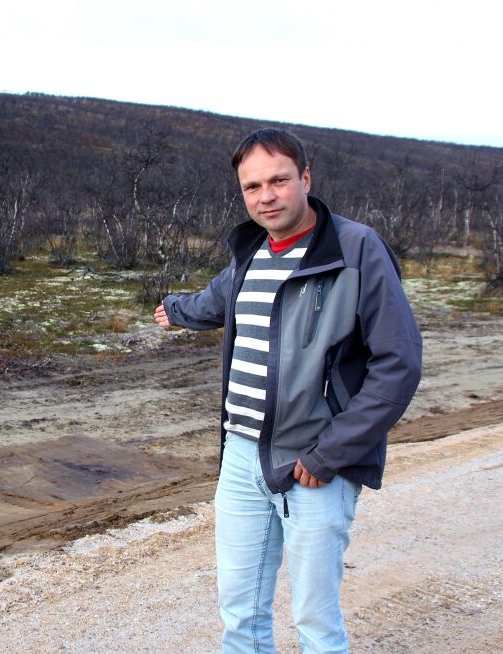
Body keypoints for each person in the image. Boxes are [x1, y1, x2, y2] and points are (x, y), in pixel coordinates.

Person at [154, 128, 422, 653]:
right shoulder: (251, 252)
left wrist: (331, 453)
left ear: (305, 178)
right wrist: (174, 310)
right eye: (252, 187)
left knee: (315, 623)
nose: (266, 196)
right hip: (241, 457)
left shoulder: (355, 248)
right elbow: (215, 302)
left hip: (315, 465)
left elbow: (399, 365)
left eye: (278, 180)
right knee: (241, 614)